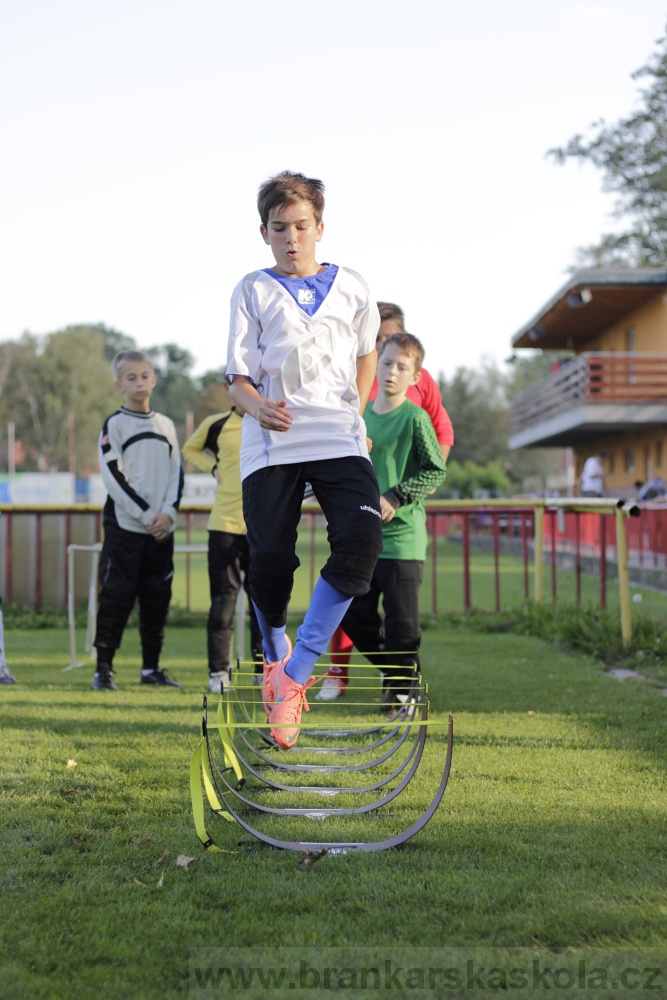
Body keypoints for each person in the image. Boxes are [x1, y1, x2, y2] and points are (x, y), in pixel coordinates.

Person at [226, 170, 383, 749]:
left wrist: (357, 412)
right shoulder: (252, 289)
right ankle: (275, 649)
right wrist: (257, 407)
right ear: (263, 232)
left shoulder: (355, 287)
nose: (290, 237)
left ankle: (294, 677)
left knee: (363, 544)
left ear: (320, 226)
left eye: (300, 226)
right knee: (269, 564)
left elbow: (367, 354)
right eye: (278, 228)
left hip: (339, 437)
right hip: (273, 440)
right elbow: (237, 381)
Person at [319, 300, 454, 699]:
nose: (392, 371)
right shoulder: (358, 416)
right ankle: (400, 677)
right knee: (355, 615)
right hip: (363, 537)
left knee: (403, 625)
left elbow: (435, 470)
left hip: (404, 538)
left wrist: (396, 495)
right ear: (374, 363)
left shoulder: (416, 417)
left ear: (416, 377)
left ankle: (399, 693)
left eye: (402, 366)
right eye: (387, 362)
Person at [92, 350, 184, 691]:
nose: (139, 382)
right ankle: (103, 670)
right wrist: (148, 516)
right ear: (119, 384)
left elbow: (176, 473)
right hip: (127, 529)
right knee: (116, 599)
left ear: (154, 380)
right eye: (131, 377)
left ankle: (151, 670)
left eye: (144, 375)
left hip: (161, 531)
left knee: (157, 600)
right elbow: (113, 478)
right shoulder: (114, 425)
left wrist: (168, 515)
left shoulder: (166, 425)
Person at [182, 382, 263, 693]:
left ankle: (264, 669)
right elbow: (190, 448)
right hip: (224, 528)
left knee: (264, 604)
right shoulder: (215, 424)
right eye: (240, 385)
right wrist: (212, 465)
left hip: (262, 529)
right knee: (223, 602)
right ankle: (218, 672)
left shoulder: (271, 421)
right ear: (231, 388)